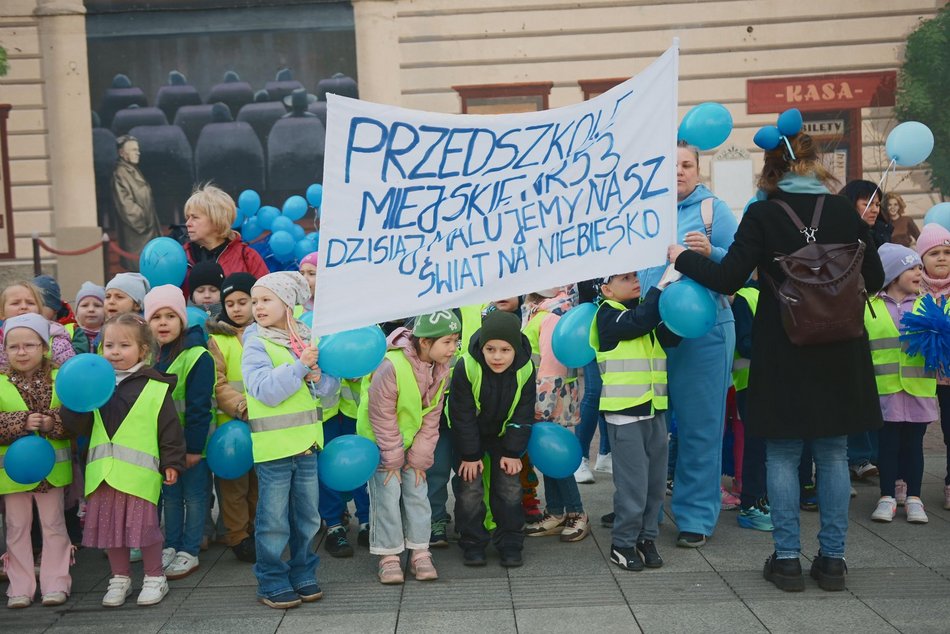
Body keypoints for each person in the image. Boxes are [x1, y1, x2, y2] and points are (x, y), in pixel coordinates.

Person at [669, 128, 884, 592]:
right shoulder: (847, 211)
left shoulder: (764, 214)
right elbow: (878, 276)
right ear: (816, 163)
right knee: (832, 453)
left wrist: (682, 258)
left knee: (783, 454)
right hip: (841, 350)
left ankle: (786, 560)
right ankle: (832, 562)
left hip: (784, 347)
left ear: (772, 168)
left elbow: (728, 278)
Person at [639, 142, 738, 548]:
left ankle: (695, 515)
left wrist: (710, 251)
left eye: (686, 165)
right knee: (643, 426)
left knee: (700, 428)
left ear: (699, 169)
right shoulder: (643, 210)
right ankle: (641, 508)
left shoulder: (716, 210)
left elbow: (740, 268)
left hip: (705, 334)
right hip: (650, 333)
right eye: (671, 165)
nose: (679, 171)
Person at [62, 313, 185, 607]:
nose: (114, 352)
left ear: (142, 351)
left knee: (145, 528)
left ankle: (155, 577)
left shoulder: (155, 387)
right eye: (108, 345)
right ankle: (120, 577)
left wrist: (172, 462)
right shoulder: (94, 385)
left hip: (140, 476)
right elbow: (77, 427)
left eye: (123, 345)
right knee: (111, 529)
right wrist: (72, 401)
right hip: (103, 473)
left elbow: (169, 429)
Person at [242, 272, 337, 609]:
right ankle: (271, 579)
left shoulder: (308, 340)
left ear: (288, 304)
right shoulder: (255, 342)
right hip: (274, 448)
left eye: (266, 300)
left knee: (307, 516)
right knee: (273, 521)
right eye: (255, 301)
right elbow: (265, 391)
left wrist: (319, 378)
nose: (258, 307)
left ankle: (302, 571)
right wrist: (299, 368)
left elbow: (327, 397)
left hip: (307, 445)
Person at [357, 311, 459, 584]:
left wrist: (419, 456)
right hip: (381, 443)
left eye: (456, 341)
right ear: (424, 342)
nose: (453, 348)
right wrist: (392, 458)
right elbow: (381, 413)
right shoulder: (391, 364)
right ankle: (388, 556)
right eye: (447, 341)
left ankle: (419, 551)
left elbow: (433, 413)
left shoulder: (441, 367)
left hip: (412, 441)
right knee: (387, 496)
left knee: (417, 492)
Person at [591, 273, 673, 571]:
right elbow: (638, 322)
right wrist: (660, 287)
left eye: (635, 276)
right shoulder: (607, 316)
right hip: (624, 414)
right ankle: (622, 543)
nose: (635, 281)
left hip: (655, 410)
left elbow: (672, 335)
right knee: (633, 485)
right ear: (606, 289)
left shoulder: (643, 316)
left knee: (654, 484)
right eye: (625, 278)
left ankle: (646, 538)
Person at [448, 310, 536, 567]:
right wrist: (470, 455)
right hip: (470, 434)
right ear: (482, 347)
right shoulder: (467, 365)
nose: (497, 357)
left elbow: (524, 411)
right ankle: (472, 542)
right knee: (470, 488)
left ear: (516, 349)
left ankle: (510, 542)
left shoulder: (526, 368)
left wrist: (512, 452)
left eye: (505, 350)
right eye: (490, 349)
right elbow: (461, 414)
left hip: (504, 435)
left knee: (509, 489)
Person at [0, 314, 73, 608]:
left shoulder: (61, 379)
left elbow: (76, 418)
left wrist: (50, 423)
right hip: (12, 474)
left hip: (52, 471)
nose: (21, 352)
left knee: (54, 524)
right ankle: (20, 585)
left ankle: (56, 582)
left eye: (29, 345)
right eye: (13, 347)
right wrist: (21, 422)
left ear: (44, 347)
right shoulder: (1, 383)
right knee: (17, 527)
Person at [144, 285, 215, 580]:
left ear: (182, 320)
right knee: (170, 496)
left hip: (190, 444)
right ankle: (170, 545)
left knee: (195, 496)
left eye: (170, 315)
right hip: (162, 444)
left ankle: (189, 550)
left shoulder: (197, 356)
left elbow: (199, 407)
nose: (163, 322)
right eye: (156, 317)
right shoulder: (150, 357)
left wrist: (194, 449)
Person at [867, 243, 933, 524]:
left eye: (920, 266)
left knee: (914, 445)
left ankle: (915, 498)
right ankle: (887, 497)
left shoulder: (928, 304)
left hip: (919, 390)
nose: (920, 272)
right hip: (886, 390)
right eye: (912, 267)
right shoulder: (869, 305)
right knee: (888, 445)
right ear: (894, 274)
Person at [522, 288, 589, 543]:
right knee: (547, 453)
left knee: (556, 453)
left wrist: (542, 405)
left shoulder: (551, 313)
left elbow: (551, 365)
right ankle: (556, 511)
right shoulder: (538, 311)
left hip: (547, 397)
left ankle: (576, 512)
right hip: (543, 394)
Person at [206, 272, 257, 562]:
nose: (236, 308)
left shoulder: (265, 334)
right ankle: (238, 535)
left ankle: (255, 529)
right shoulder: (218, 340)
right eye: (230, 302)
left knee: (259, 484)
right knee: (234, 485)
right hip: (232, 427)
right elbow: (219, 382)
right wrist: (241, 407)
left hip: (263, 426)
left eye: (243, 301)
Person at [915, 222, 950, 511]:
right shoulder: (913, 288)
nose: (942, 258)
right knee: (912, 432)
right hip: (919, 374)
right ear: (921, 259)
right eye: (934, 252)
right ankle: (904, 482)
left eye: (947, 252)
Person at [182, 185, 269, 297]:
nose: (187, 223)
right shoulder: (181, 257)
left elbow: (266, 297)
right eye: (187, 217)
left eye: (194, 217)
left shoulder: (247, 257)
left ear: (216, 219)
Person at [574, 279, 611, 484]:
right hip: (587, 328)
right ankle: (580, 458)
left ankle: (606, 455)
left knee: (610, 389)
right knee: (594, 390)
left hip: (617, 323)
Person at [111, 135, 162, 271]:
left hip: (146, 232)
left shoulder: (132, 169)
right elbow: (126, 206)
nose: (138, 152)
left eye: (137, 149)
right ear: (122, 153)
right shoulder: (120, 173)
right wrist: (144, 222)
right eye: (133, 150)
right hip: (138, 235)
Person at [0, 282, 76, 370]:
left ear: (39, 311)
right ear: (2, 312)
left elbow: (70, 372)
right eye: (15, 303)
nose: (24, 307)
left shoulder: (56, 341)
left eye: (30, 303)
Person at [840, 179, 891, 248]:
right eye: (868, 204)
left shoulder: (882, 233)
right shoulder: (837, 235)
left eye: (877, 204)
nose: (875, 210)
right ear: (851, 204)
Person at [74, 282, 106, 352]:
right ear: (76, 313)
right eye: (85, 305)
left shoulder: (111, 334)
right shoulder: (68, 334)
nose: (91, 309)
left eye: (97, 305)